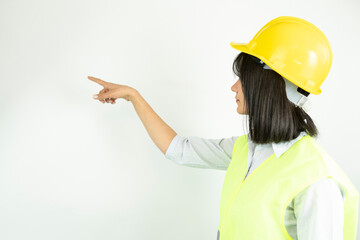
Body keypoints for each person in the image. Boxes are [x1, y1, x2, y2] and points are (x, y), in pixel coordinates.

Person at [88, 16, 359, 240]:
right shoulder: (247, 149)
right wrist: (134, 96)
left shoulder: (316, 181)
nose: (234, 87)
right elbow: (179, 149)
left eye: (242, 78)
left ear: (269, 85)